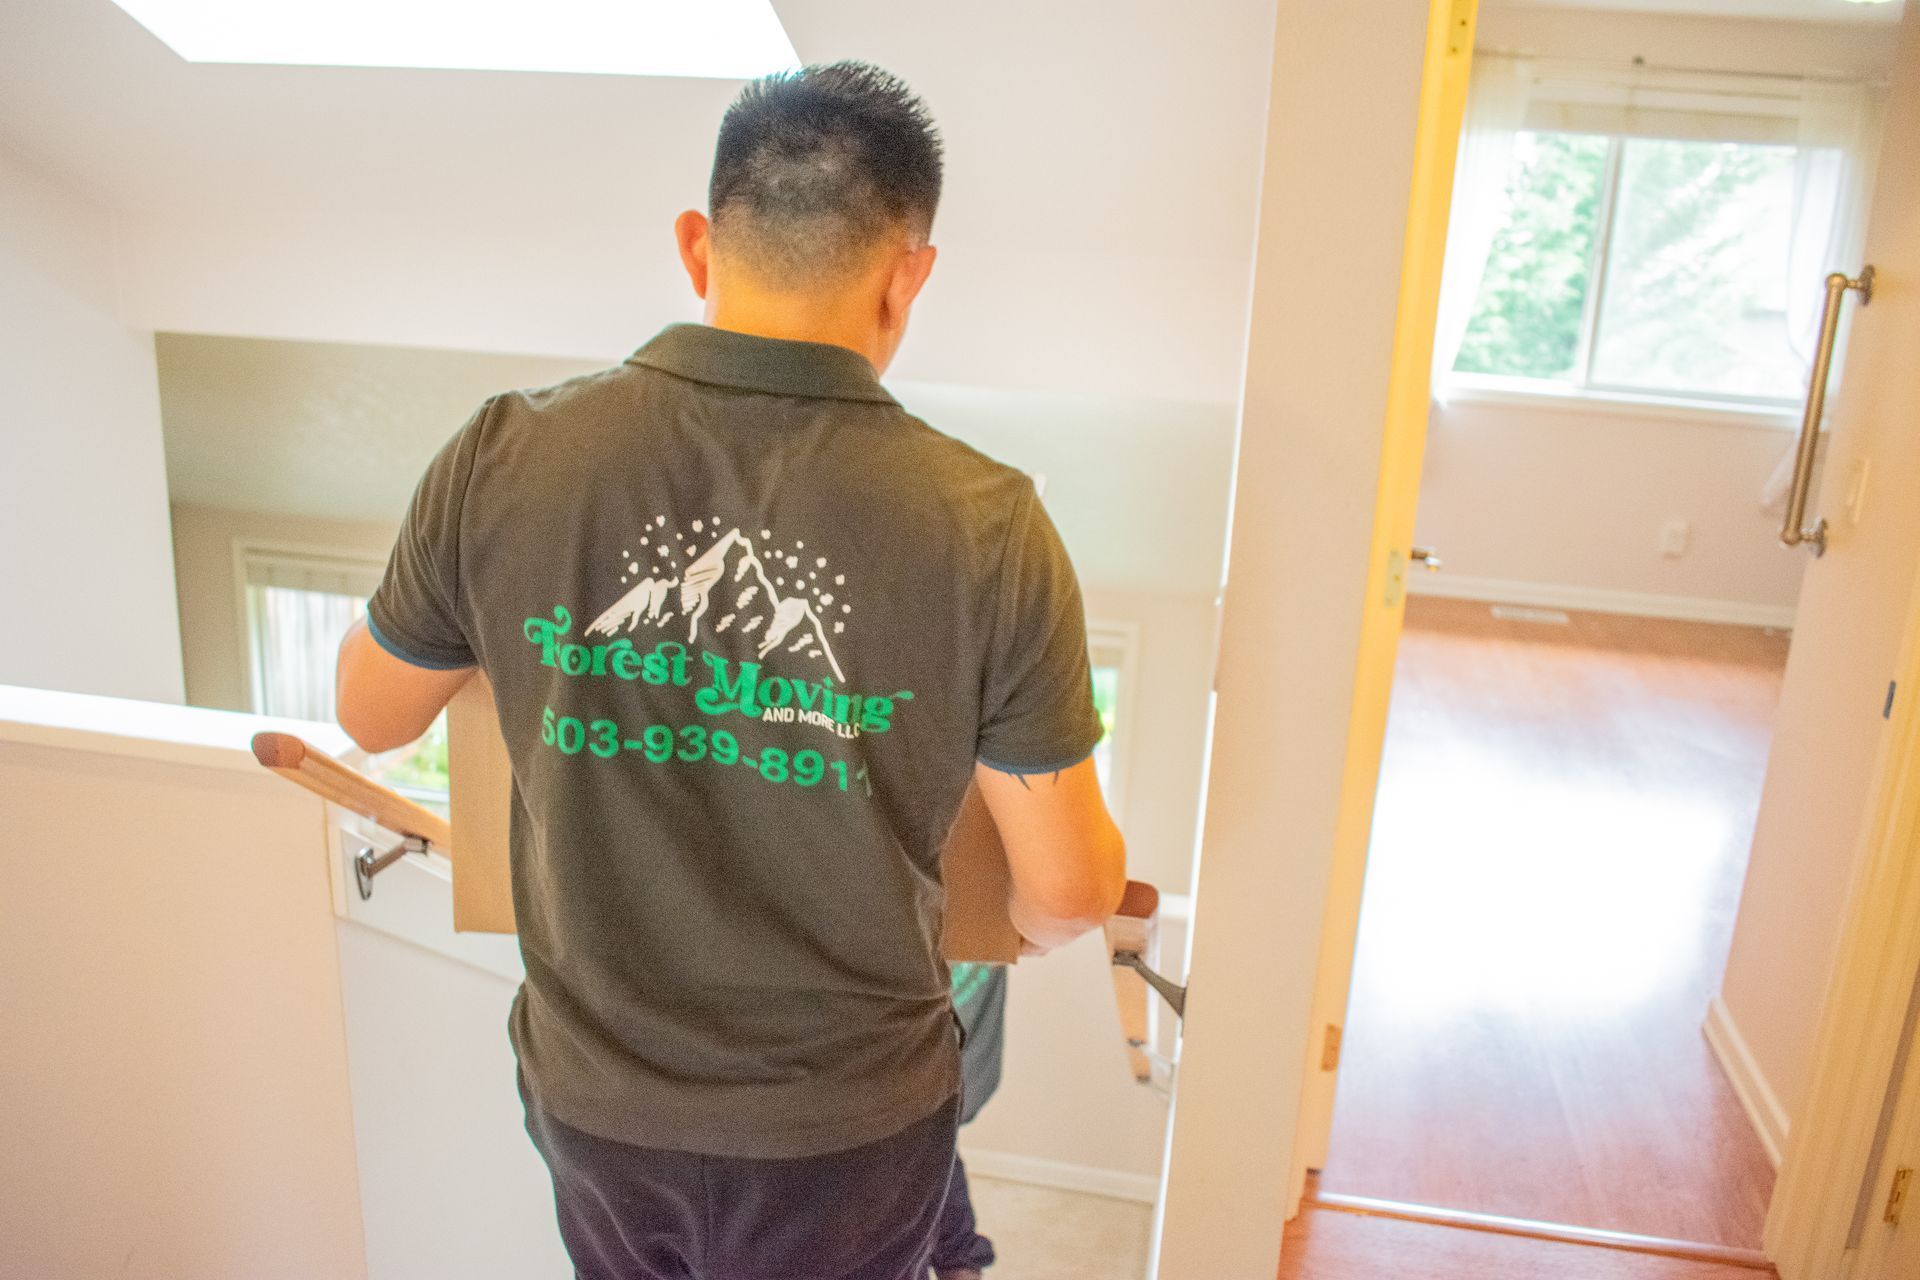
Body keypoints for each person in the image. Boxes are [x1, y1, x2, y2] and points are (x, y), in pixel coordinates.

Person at [334, 61, 1127, 1280]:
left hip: (600, 1107)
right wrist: (997, 924)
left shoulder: (502, 454)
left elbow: (369, 712)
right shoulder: (988, 524)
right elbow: (1070, 890)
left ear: (698, 244)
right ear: (908, 271)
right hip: (849, 1125)